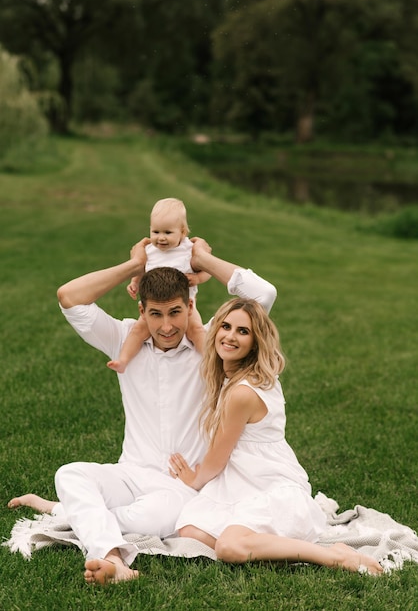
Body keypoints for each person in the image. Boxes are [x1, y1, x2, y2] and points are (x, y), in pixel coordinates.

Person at [8, 237, 277, 585]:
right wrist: (134, 266)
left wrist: (202, 259)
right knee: (70, 474)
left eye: (175, 313)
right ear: (141, 310)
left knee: (146, 519)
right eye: (155, 314)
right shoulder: (123, 340)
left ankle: (74, 522)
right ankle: (113, 560)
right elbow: (69, 297)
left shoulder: (212, 344)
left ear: (190, 307)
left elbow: (264, 295)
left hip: (179, 487)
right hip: (131, 472)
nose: (166, 326)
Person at [169, 298, 383, 575]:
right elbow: (204, 336)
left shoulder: (242, 392)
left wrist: (193, 479)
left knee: (227, 548)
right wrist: (190, 309)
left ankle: (333, 556)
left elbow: (217, 459)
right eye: (225, 326)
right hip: (244, 483)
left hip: (272, 488)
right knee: (190, 532)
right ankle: (275, 546)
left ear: (255, 342)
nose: (230, 336)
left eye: (242, 331)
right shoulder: (242, 371)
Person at [107, 198, 210, 373]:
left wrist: (198, 278)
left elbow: (208, 270)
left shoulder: (188, 249)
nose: (161, 238)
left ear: (182, 232)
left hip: (185, 304)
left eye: (168, 232)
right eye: (155, 232)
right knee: (139, 329)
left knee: (196, 330)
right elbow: (141, 269)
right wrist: (134, 282)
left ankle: (210, 361)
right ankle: (123, 360)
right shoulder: (148, 251)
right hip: (155, 305)